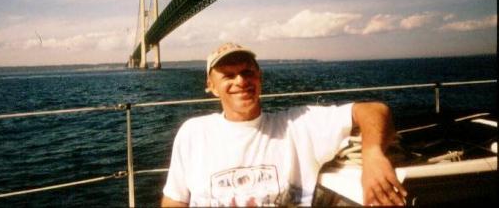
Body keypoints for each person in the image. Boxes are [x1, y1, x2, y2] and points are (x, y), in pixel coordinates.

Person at [161, 42, 407, 207]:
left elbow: (374, 110)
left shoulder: (298, 126)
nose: (241, 81)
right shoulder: (194, 133)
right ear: (211, 87)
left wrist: (373, 154)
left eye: (248, 72)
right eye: (228, 75)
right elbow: (175, 201)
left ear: (260, 78)